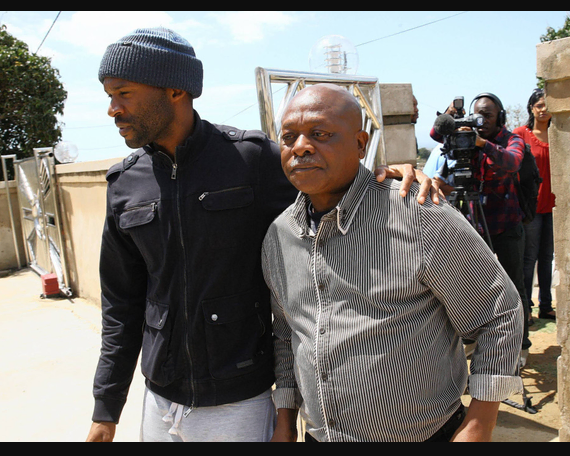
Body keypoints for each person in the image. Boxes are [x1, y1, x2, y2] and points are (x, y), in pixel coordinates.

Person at [86, 27, 435, 442]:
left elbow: (332, 189)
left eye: (123, 93)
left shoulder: (251, 160)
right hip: (160, 397)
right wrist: (106, 409)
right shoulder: (125, 183)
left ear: (175, 89)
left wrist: (388, 178)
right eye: (110, 95)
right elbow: (121, 304)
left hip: (241, 399)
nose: (113, 108)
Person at [262, 84, 523, 442]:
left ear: (360, 144)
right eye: (289, 137)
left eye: (320, 134)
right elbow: (287, 334)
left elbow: (500, 313)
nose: (301, 146)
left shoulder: (418, 214)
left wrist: (478, 425)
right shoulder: (279, 236)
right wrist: (284, 423)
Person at [430, 93, 532, 360]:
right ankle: (475, 340)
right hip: (475, 224)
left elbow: (512, 162)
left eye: (487, 115)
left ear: (500, 116)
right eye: (478, 114)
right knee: (475, 286)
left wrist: (481, 144)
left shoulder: (511, 139)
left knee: (515, 286)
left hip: (506, 225)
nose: (482, 120)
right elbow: (434, 133)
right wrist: (450, 113)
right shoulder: (464, 135)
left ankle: (521, 346)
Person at [513, 89, 556, 321]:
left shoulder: (559, 133)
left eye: (546, 105)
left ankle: (546, 305)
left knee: (547, 257)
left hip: (555, 206)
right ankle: (526, 307)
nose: (543, 109)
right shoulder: (521, 134)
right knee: (528, 258)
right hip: (530, 208)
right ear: (531, 108)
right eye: (539, 105)